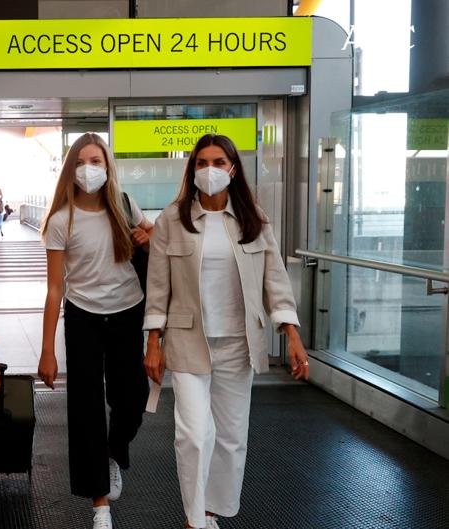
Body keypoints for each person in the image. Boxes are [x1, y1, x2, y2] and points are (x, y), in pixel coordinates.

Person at [142, 134, 309, 529]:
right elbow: (158, 287)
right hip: (187, 340)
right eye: (201, 163)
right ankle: (194, 518)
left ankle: (212, 511)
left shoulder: (254, 220)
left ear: (233, 169)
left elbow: (275, 279)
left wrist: (292, 333)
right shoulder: (172, 220)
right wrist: (153, 341)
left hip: (239, 343)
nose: (209, 170)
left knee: (232, 438)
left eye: (218, 162)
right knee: (195, 434)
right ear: (192, 169)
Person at [37, 133, 154, 529]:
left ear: (108, 167)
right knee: (85, 409)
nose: (90, 168)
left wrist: (147, 236)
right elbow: (55, 289)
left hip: (127, 312)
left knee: (133, 396)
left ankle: (114, 451)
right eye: (83, 161)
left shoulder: (124, 206)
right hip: (83, 317)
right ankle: (99, 505)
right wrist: (47, 350)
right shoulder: (59, 220)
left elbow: (158, 238)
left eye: (97, 160)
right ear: (71, 169)